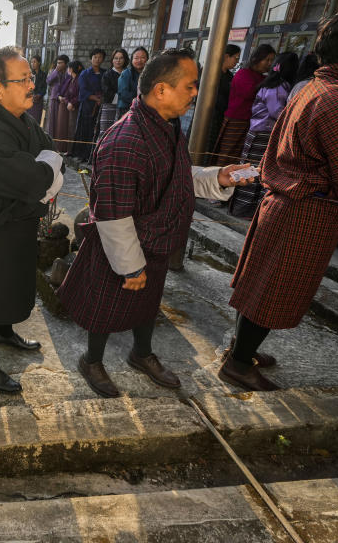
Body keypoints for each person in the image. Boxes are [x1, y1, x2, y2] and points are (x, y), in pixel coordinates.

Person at [224, 5, 338, 392]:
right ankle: (239, 364)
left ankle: (239, 351)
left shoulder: (313, 86)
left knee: (260, 286)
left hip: (285, 203)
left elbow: (332, 154)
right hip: (307, 211)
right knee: (274, 291)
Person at [57, 48, 253, 397]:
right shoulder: (124, 140)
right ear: (161, 90)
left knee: (148, 303)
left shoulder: (166, 127)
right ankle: (92, 360)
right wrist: (131, 267)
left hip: (157, 239)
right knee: (105, 306)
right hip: (122, 245)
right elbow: (113, 213)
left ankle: (141, 353)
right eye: (190, 86)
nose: (195, 93)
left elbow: (175, 175)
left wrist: (218, 178)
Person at [0, 46, 64, 393]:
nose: (31, 85)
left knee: (13, 286)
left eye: (31, 78)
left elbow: (50, 155)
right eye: (22, 80)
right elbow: (37, 179)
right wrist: (44, 173)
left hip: (19, 224)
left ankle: (5, 334)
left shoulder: (23, 120)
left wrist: (44, 171)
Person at [229, 52, 299, 219]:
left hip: (259, 133)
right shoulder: (277, 87)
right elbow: (277, 112)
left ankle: (242, 207)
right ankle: (243, 209)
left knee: (252, 169)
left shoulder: (272, 84)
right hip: (263, 133)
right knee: (254, 170)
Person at [211, 44, 275, 167]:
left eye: (271, 60)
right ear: (257, 59)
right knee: (226, 154)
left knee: (238, 157)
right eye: (267, 60)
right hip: (236, 120)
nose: (269, 63)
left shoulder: (262, 77)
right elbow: (250, 93)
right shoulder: (243, 74)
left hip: (250, 123)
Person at [206, 44, 242, 157]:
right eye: (236, 58)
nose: (237, 62)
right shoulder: (211, 73)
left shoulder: (230, 76)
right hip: (208, 116)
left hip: (222, 117)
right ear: (226, 56)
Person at [70, 48, 106, 161]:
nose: (97, 59)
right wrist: (95, 98)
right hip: (87, 107)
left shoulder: (105, 73)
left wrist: (102, 98)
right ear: (91, 59)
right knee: (85, 130)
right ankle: (82, 155)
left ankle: (94, 155)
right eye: (95, 57)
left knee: (98, 130)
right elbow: (83, 91)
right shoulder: (85, 74)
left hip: (101, 106)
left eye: (100, 57)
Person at [57, 60, 83, 154]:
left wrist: (72, 103)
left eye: (69, 68)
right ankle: (69, 150)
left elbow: (80, 95)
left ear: (71, 69)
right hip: (70, 107)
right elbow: (67, 94)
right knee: (69, 128)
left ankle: (71, 150)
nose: (68, 69)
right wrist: (68, 102)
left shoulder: (79, 79)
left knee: (73, 129)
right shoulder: (72, 80)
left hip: (76, 107)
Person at [45, 55, 72, 140]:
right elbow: (48, 81)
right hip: (54, 99)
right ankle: (50, 139)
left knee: (60, 122)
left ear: (65, 64)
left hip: (64, 100)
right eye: (57, 63)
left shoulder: (68, 73)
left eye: (60, 63)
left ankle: (59, 142)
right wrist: (56, 70)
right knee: (52, 121)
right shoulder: (53, 71)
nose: (58, 64)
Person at [116, 47, 149, 116]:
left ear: (147, 59)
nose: (139, 60)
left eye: (143, 57)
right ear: (132, 60)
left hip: (145, 110)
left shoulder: (150, 74)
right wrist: (140, 102)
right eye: (136, 58)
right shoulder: (126, 73)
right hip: (126, 110)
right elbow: (123, 93)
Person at [28, 55, 47, 124]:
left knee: (36, 120)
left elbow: (44, 88)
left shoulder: (43, 75)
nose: (32, 64)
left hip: (38, 101)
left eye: (34, 62)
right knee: (28, 119)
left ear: (39, 63)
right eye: (31, 62)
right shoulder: (28, 74)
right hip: (29, 99)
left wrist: (39, 95)